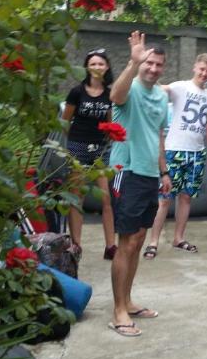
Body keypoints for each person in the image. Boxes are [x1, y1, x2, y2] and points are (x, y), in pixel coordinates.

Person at [106, 31, 172, 337]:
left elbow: (159, 136)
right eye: (149, 63)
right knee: (126, 242)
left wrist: (164, 172)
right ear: (141, 62)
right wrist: (132, 63)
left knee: (138, 241)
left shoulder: (161, 96)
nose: (153, 68)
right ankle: (118, 310)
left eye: (158, 64)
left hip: (148, 175)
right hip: (126, 170)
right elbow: (114, 97)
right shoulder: (130, 87)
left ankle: (128, 301)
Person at [144, 53, 207, 258]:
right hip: (174, 151)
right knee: (165, 199)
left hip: (197, 154)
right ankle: (153, 242)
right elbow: (161, 89)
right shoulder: (181, 87)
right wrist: (147, 70)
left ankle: (179, 238)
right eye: (202, 69)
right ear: (195, 67)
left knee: (186, 198)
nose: (204, 73)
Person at [61, 48, 117, 260]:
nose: (96, 67)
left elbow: (111, 123)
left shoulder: (109, 94)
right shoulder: (77, 92)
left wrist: (105, 143)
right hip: (77, 148)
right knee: (77, 198)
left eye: (100, 64)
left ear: (107, 67)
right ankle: (76, 245)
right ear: (87, 67)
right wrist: (76, 142)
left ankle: (111, 245)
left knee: (106, 199)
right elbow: (65, 121)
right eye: (92, 64)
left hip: (100, 150)